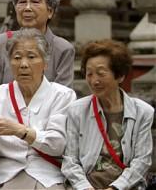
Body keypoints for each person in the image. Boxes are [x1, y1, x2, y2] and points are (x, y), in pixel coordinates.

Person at [0, 28, 76, 189]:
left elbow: (57, 143)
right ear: (10, 62)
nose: (23, 64)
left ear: (45, 63)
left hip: (46, 175)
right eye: (17, 58)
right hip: (6, 173)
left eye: (31, 57)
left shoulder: (63, 96)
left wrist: (21, 131)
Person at [62, 40, 154, 190]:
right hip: (88, 184)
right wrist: (84, 187)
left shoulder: (143, 112)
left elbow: (141, 161)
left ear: (120, 76)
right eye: (89, 74)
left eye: (101, 73)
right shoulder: (77, 110)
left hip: (126, 186)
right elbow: (70, 160)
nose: (94, 80)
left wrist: (115, 188)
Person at [0, 0, 74, 90]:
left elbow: (63, 99)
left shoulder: (63, 49)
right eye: (22, 2)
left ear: (50, 11)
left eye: (35, 1)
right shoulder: (0, 43)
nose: (27, 8)